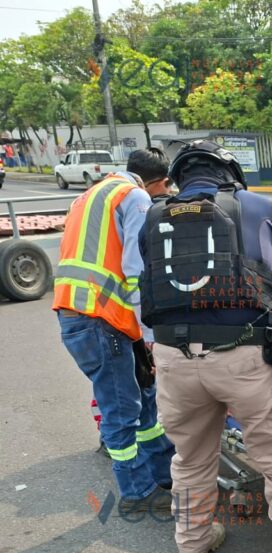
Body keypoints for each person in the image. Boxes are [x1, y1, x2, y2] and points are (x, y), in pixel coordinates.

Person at [140, 139, 272, 553]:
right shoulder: (255, 206)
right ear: (230, 174)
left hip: (174, 359)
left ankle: (193, 544)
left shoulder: (154, 215)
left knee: (190, 458)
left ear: (179, 178)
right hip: (245, 355)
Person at [54, 148, 177, 517]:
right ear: (159, 183)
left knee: (144, 397)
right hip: (100, 318)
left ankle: (162, 471)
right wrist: (150, 335)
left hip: (84, 316)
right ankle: (137, 493)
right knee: (121, 409)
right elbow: (136, 271)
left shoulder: (90, 194)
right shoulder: (134, 197)